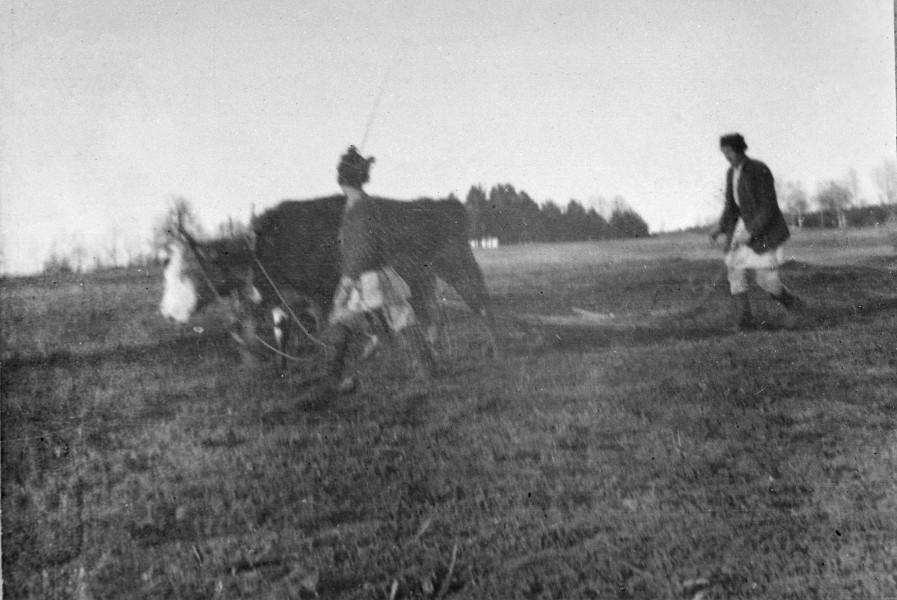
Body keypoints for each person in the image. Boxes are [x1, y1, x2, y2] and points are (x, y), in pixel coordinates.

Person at [322, 146, 435, 392]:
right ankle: (428, 369)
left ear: (344, 181)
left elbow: (362, 250)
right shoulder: (359, 205)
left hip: (366, 278)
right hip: (374, 276)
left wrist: (347, 283)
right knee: (397, 318)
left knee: (345, 318)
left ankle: (333, 378)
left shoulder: (360, 209)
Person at [710, 133, 802, 331]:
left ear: (739, 149)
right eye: (724, 153)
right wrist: (720, 226)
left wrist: (751, 232)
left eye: (729, 152)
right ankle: (745, 320)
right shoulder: (731, 173)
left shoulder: (759, 169)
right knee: (734, 269)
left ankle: (794, 305)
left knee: (766, 280)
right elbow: (731, 206)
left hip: (765, 230)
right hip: (743, 227)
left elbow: (768, 207)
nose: (727, 157)